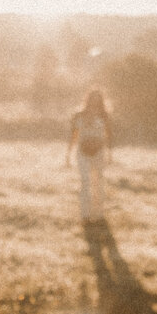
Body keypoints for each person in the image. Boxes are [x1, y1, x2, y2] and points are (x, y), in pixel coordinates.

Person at [66, 89, 113, 225]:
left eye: (97, 99)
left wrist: (110, 153)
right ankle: (85, 215)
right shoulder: (79, 115)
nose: (95, 102)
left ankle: (99, 215)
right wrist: (68, 153)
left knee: (98, 183)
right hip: (83, 151)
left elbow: (108, 134)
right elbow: (73, 134)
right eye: (92, 99)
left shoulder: (104, 116)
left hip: (98, 152)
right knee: (85, 182)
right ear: (88, 100)